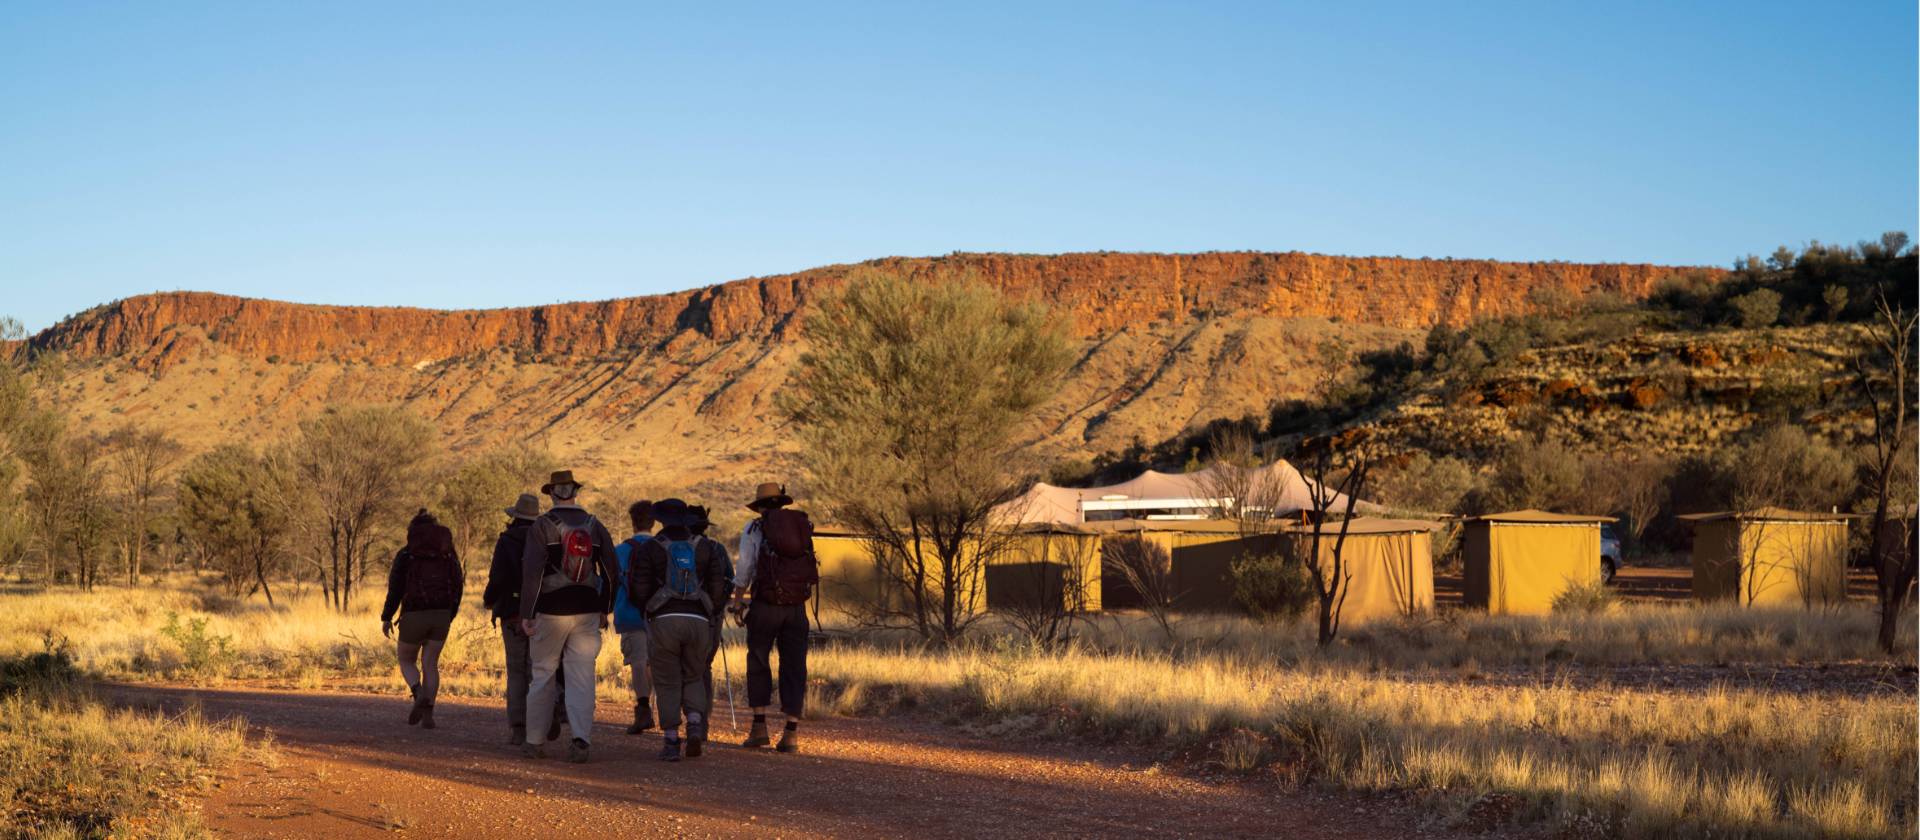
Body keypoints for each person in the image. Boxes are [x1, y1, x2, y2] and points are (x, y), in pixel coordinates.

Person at [518, 470, 618, 763]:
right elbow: (612, 573)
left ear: (552, 494)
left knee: (543, 675)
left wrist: (528, 613)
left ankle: (534, 741)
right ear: (575, 492)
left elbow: (532, 574)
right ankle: (580, 741)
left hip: (550, 611)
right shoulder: (595, 526)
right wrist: (605, 608)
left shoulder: (542, 526)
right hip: (587, 611)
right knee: (582, 678)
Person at [628, 498, 730, 762]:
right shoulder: (705, 547)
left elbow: (638, 587)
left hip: (664, 621)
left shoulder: (652, 547)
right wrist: (709, 610)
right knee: (694, 675)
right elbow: (719, 586)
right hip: (698, 620)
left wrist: (648, 610)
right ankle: (695, 723)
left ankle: (672, 741)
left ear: (660, 519)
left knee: (667, 680)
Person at [730, 482, 818, 754]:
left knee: (758, 660)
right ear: (781, 503)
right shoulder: (802, 526)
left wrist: (737, 600)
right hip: (796, 607)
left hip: (766, 604)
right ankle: (790, 732)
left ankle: (759, 727)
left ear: (760, 507)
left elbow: (745, 566)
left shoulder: (755, 528)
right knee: (794, 665)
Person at [481, 493, 564, 746]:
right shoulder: (548, 537)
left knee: (516, 672)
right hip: (544, 611)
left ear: (515, 516)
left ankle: (519, 728)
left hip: (512, 613)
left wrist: (489, 600)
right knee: (540, 670)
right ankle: (547, 715)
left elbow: (497, 577)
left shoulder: (506, 540)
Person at [381, 509, 462, 731]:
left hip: (413, 614)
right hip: (442, 614)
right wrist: (450, 613)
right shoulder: (448, 554)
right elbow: (458, 584)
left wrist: (387, 617)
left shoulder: (406, 554)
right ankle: (429, 714)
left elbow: (395, 589)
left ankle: (418, 693)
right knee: (431, 664)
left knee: (406, 660)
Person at [612, 499, 657, 734]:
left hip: (629, 614)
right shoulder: (662, 548)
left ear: (632, 522)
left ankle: (643, 709)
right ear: (653, 522)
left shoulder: (620, 551)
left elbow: (609, 584)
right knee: (655, 662)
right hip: (658, 615)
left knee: (638, 663)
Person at [689, 505, 732, 717]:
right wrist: (718, 608)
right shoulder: (717, 548)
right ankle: (702, 718)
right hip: (712, 616)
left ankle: (688, 716)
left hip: (683, 613)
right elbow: (730, 580)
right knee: (705, 666)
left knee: (684, 666)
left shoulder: (677, 546)